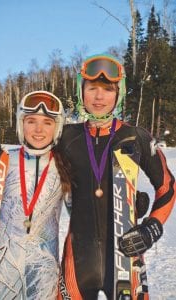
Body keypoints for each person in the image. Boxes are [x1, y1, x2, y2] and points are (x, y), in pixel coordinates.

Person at [57, 54, 175, 299]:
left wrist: (152, 227)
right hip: (78, 262)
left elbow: (167, 186)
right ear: (81, 91)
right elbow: (32, 159)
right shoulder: (67, 137)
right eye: (92, 88)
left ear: (118, 94)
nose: (99, 97)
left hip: (126, 257)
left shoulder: (135, 136)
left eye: (107, 89)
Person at [0, 91, 71, 299]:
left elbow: (85, 212)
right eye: (31, 121)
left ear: (57, 127)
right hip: (1, 270)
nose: (38, 129)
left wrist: (129, 204)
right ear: (21, 124)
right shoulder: (2, 161)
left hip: (43, 271)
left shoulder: (64, 165)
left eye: (47, 122)